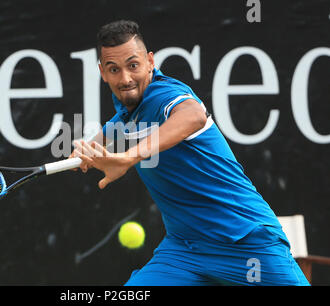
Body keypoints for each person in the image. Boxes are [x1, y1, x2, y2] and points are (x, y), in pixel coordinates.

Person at [71, 20, 309, 286]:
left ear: (150, 62)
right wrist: (80, 155)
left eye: (133, 65)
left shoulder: (165, 95)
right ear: (102, 72)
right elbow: (108, 133)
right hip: (184, 251)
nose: (125, 78)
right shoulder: (127, 114)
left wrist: (128, 158)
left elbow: (193, 116)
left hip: (247, 243)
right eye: (114, 69)